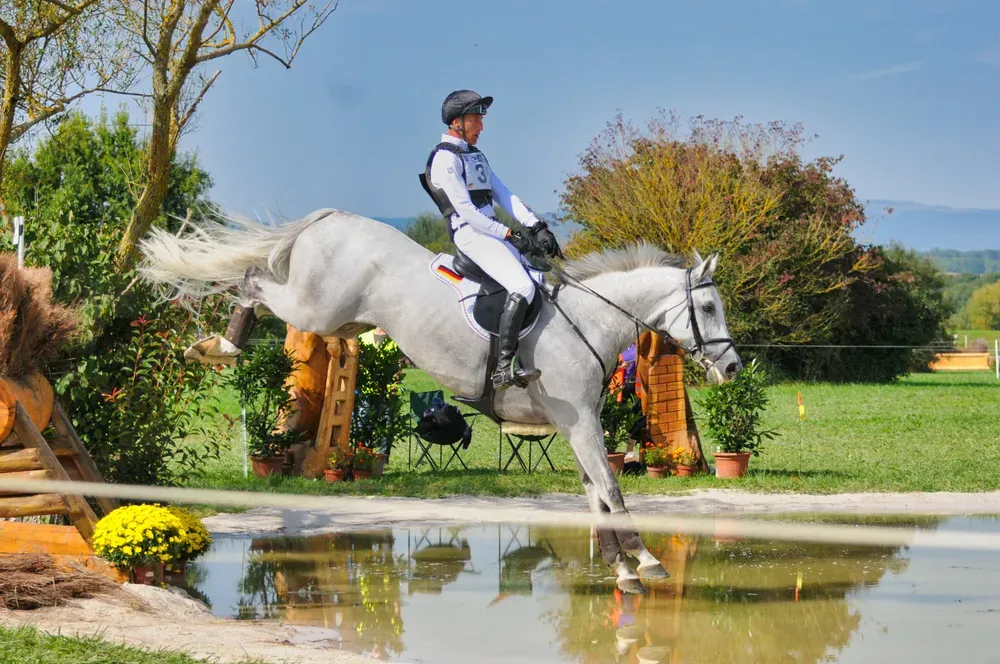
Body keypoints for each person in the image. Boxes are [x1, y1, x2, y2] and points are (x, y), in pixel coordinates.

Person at [418, 89, 562, 391]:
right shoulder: (445, 159)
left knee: (542, 279)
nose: (481, 127)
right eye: (475, 120)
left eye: (481, 120)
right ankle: (503, 367)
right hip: (472, 235)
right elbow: (468, 213)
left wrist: (537, 226)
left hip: (491, 231)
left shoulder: (475, 156)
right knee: (522, 286)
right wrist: (509, 234)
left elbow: (504, 195)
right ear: (457, 122)